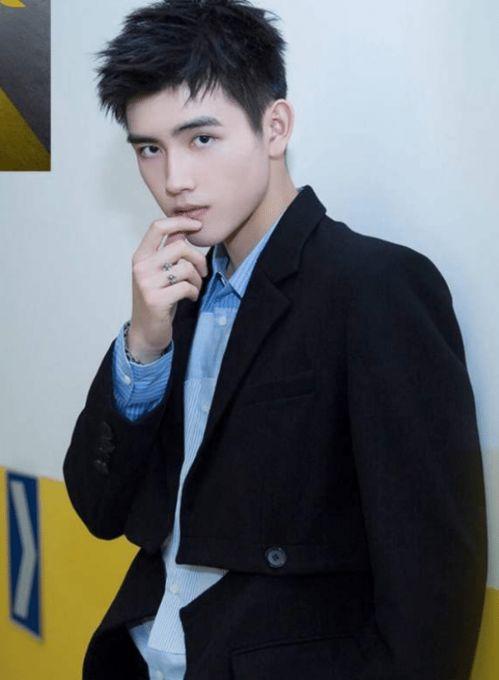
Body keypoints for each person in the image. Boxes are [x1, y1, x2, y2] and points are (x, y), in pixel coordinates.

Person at [63, 1, 488, 678]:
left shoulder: (374, 287)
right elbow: (99, 509)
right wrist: (143, 347)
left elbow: (433, 589)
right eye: (149, 149)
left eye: (201, 139)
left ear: (275, 127)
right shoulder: (176, 296)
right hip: (144, 657)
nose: (174, 180)